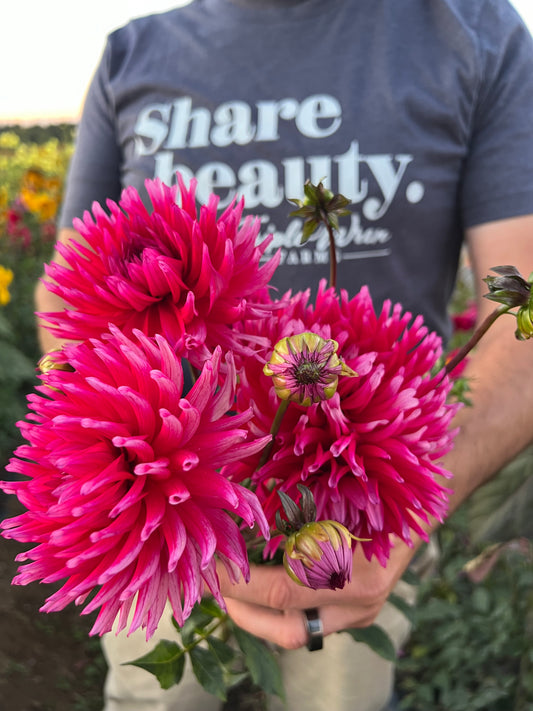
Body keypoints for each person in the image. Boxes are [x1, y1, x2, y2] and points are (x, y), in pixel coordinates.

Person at [35, 1, 533, 709]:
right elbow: (68, 290)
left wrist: (411, 493)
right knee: (158, 698)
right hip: (156, 521)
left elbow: (521, 314)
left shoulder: (471, 31)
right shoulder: (131, 53)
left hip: (362, 518)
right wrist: (97, 424)